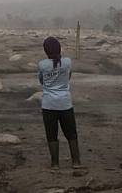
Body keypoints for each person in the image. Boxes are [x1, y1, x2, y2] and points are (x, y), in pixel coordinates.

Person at [37, 36, 84, 171]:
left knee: (52, 134)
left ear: (46, 50)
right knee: (71, 133)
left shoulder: (42, 64)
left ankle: (55, 163)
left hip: (49, 104)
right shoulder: (67, 62)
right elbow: (69, 76)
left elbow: (42, 81)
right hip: (65, 103)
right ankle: (76, 161)